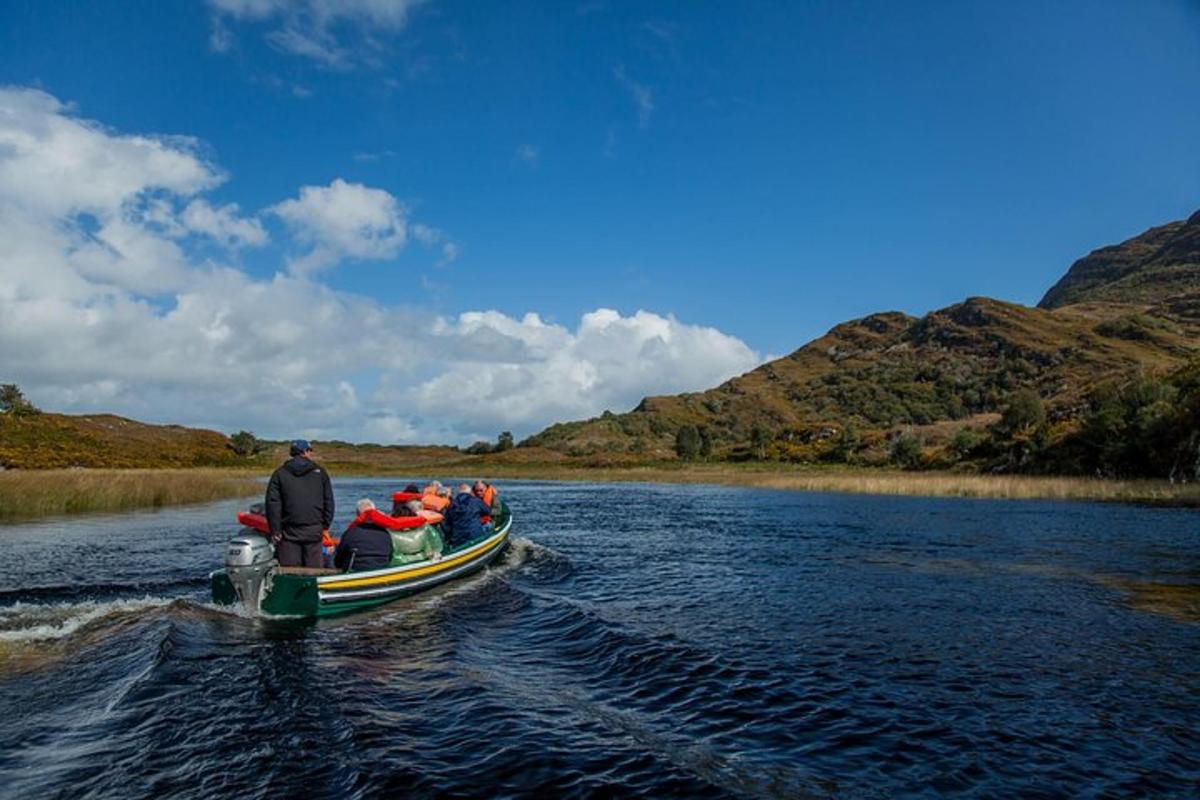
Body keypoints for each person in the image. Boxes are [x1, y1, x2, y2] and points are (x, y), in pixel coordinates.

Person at [265, 439, 334, 568]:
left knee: (290, 571)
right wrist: (325, 525)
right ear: (305, 452)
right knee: (314, 571)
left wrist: (275, 530)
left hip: (289, 531)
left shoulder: (279, 473)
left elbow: (273, 504)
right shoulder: (320, 473)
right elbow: (328, 501)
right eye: (310, 451)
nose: (311, 454)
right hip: (313, 529)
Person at [334, 499, 394, 572]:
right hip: (381, 570)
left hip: (356, 571)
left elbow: (338, 559)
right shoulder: (385, 534)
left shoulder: (350, 533)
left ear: (357, 514)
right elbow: (390, 556)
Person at [441, 483, 492, 549]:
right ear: (470, 492)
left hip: (458, 538)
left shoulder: (451, 504)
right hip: (475, 536)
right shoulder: (476, 501)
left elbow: (447, 523)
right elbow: (488, 511)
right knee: (488, 525)